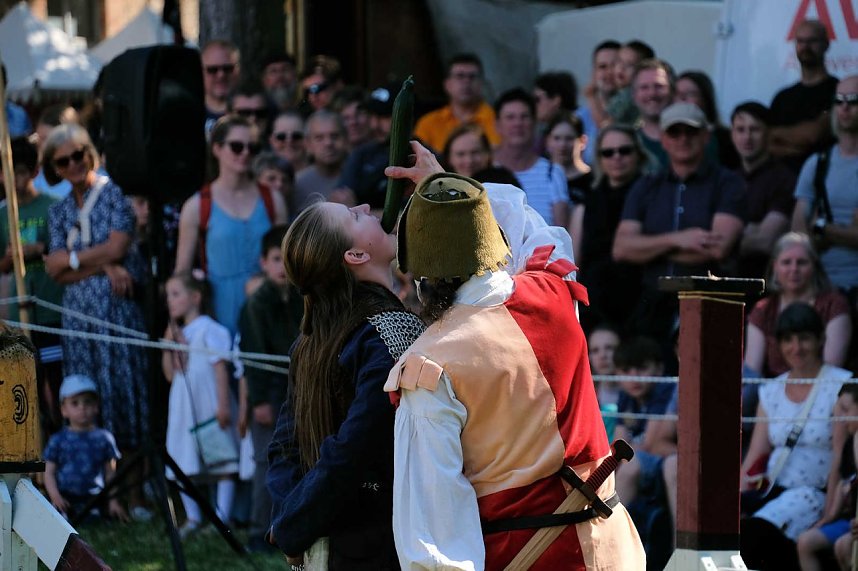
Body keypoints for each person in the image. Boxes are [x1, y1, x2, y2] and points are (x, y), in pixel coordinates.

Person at [385, 170, 645, 569]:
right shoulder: (557, 290)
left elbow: (435, 537)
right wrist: (449, 186)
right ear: (496, 243)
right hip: (613, 552)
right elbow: (531, 226)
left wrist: (441, 200)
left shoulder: (428, 364)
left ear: (420, 276)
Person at [266, 200, 426, 569]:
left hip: (334, 539)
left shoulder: (314, 337)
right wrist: (292, 523)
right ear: (354, 255)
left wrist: (291, 518)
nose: (367, 206)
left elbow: (285, 450)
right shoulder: (388, 334)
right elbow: (352, 449)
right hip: (375, 546)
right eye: (354, 216)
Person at [43, 124, 150, 508]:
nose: (73, 164)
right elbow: (54, 270)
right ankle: (95, 495)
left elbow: (118, 246)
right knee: (86, 396)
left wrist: (77, 260)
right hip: (77, 319)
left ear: (91, 153)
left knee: (123, 397)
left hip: (115, 313)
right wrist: (102, 263)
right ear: (53, 167)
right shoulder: (58, 211)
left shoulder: (114, 193)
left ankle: (133, 493)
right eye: (63, 160)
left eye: (79, 155)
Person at [613, 102, 746, 344]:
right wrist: (680, 239)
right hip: (653, 306)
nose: (683, 139)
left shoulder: (728, 183)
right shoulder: (646, 185)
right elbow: (621, 248)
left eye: (691, 131)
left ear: (706, 136)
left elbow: (717, 248)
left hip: (711, 300)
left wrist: (649, 249)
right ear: (663, 139)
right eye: (675, 132)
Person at [739, 303, 852, 571]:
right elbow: (756, 454)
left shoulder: (842, 385)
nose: (796, 347)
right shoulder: (771, 390)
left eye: (804, 338)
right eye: (788, 339)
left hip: (817, 494)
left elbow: (841, 456)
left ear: (820, 340)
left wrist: (830, 514)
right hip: (772, 492)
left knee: (755, 536)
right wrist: (736, 500)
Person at [174, 115, 288, 336]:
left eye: (252, 147)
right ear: (216, 149)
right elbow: (182, 272)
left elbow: (289, 259)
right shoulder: (197, 205)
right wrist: (179, 326)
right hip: (218, 314)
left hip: (268, 310)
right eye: (236, 146)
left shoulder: (273, 199)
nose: (245, 153)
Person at [236, 225, 303, 552]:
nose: (281, 267)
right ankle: (258, 531)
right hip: (269, 388)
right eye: (276, 259)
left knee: (299, 457)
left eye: (286, 259)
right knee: (265, 460)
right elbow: (251, 357)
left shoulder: (302, 297)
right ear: (264, 262)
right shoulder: (255, 304)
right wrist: (258, 400)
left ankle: (289, 527)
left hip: (297, 387)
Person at [162, 271, 238, 536]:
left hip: (208, 401)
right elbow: (172, 374)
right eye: (168, 295)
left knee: (221, 459)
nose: (170, 301)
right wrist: (171, 346)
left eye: (176, 294)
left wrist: (223, 405)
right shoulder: (180, 333)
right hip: (184, 406)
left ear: (195, 296)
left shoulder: (209, 329)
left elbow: (219, 369)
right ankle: (193, 518)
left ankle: (222, 517)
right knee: (185, 458)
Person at [0, 137, 65, 430]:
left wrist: (39, 249)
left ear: (34, 172)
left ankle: (62, 431)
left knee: (56, 378)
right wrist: (10, 257)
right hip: (19, 313)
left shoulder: (52, 207)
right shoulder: (3, 213)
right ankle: (34, 448)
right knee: (24, 385)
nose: (14, 180)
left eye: (21, 173)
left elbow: (65, 251)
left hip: (52, 308)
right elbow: (1, 267)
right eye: (7, 173)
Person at [745, 232, 851, 378]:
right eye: (786, 262)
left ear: (814, 265)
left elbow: (831, 371)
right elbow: (751, 374)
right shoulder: (763, 309)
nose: (794, 269)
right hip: (771, 393)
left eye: (801, 262)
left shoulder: (835, 305)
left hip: (822, 391)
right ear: (775, 266)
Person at [790, 74, 858, 298]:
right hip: (819, 288)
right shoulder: (817, 163)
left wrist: (821, 228)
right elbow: (798, 235)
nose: (845, 107)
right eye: (839, 100)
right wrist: (843, 233)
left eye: (853, 100)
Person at [576, 125, 647, 333]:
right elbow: (577, 259)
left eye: (624, 151)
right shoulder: (590, 200)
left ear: (638, 153)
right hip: (594, 303)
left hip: (638, 300)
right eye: (608, 152)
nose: (616, 157)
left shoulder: (652, 194)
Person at [43, 375, 126, 522]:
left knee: (98, 520)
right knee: (60, 523)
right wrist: (55, 497)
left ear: (96, 406)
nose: (82, 407)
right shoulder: (57, 440)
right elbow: (48, 472)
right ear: (64, 410)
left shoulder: (104, 438)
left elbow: (110, 473)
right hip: (66, 498)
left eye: (88, 402)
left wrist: (113, 501)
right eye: (75, 403)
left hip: (94, 498)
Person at [729, 101, 796, 280]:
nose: (747, 137)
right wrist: (750, 229)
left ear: (769, 133)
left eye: (755, 129)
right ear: (732, 134)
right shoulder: (726, 180)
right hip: (724, 279)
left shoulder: (784, 179)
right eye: (740, 129)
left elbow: (766, 241)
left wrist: (725, 238)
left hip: (765, 281)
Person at [796, 383, 858, 571]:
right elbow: (844, 483)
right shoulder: (850, 444)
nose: (841, 418)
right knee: (806, 541)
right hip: (850, 521)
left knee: (844, 546)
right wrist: (829, 517)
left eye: (846, 410)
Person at [769, 19, 839, 172]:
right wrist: (793, 144)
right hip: (782, 184)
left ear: (826, 44)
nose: (805, 47)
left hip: (822, 179)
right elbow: (766, 142)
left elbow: (813, 135)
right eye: (800, 41)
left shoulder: (838, 90)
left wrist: (777, 134)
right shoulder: (782, 97)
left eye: (812, 41)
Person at [493, 88, 569, 226]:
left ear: (534, 123)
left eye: (524, 117)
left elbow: (561, 233)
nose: (518, 124)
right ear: (497, 125)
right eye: (510, 117)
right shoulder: (486, 167)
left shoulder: (552, 173)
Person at [414, 53, 501, 153]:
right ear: (447, 84)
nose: (466, 82)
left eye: (472, 77)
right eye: (460, 76)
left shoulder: (497, 121)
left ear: (481, 83)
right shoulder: (428, 123)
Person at [675, 70, 741, 169]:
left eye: (690, 94)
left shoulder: (726, 139)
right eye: (677, 93)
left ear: (705, 99)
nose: (682, 98)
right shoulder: (664, 134)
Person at [292, 110, 349, 213]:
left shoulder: (360, 176)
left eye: (335, 136)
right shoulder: (297, 185)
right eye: (319, 138)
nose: (328, 143)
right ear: (308, 144)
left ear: (345, 139)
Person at [631, 58, 676, 170]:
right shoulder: (627, 144)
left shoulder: (690, 141)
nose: (652, 93)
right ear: (634, 96)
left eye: (659, 86)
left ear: (672, 92)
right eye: (644, 87)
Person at [442, 124, 518, 186]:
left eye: (475, 152)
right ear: (449, 158)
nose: (469, 160)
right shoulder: (438, 186)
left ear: (487, 154)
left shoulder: (505, 183)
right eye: (460, 154)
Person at [607, 40, 655, 126]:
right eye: (619, 61)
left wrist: (592, 98)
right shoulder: (621, 92)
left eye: (629, 65)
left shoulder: (629, 95)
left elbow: (607, 122)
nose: (621, 67)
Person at [201, 40, 241, 134]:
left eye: (228, 69)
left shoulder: (254, 112)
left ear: (238, 71)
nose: (221, 75)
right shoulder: (187, 114)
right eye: (213, 70)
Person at [582, 40, 620, 131]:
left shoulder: (637, 113)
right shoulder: (579, 118)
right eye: (603, 67)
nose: (609, 72)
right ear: (594, 73)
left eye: (615, 66)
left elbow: (608, 129)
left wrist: (591, 96)